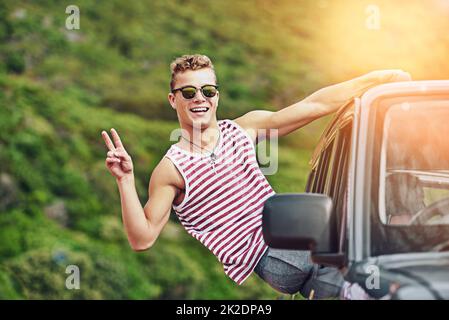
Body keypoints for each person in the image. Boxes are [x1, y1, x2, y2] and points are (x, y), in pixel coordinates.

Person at [101, 54, 411, 299]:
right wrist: (125, 180)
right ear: (174, 99)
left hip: (298, 235)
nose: (199, 98)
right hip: (272, 255)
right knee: (371, 262)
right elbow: (142, 238)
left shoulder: (243, 129)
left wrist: (379, 80)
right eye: (189, 92)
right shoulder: (171, 169)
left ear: (217, 96)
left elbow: (313, 105)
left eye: (207, 90)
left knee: (380, 205)